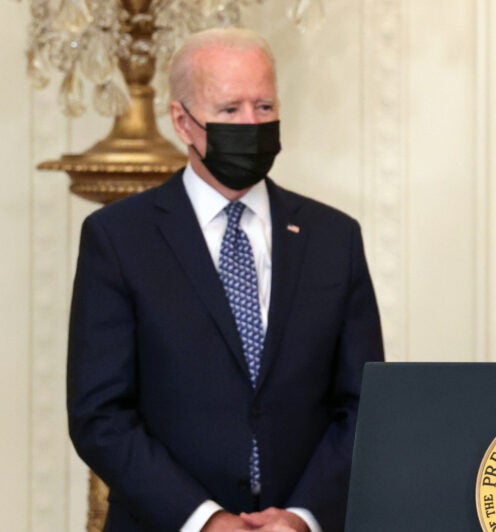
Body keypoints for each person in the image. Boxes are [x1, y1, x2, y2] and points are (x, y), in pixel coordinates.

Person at [67, 28, 384, 531]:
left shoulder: (334, 238)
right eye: (230, 109)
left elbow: (364, 404)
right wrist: (206, 520)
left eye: (264, 106)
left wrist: (303, 515)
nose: (252, 124)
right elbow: (100, 415)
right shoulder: (118, 238)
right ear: (182, 122)